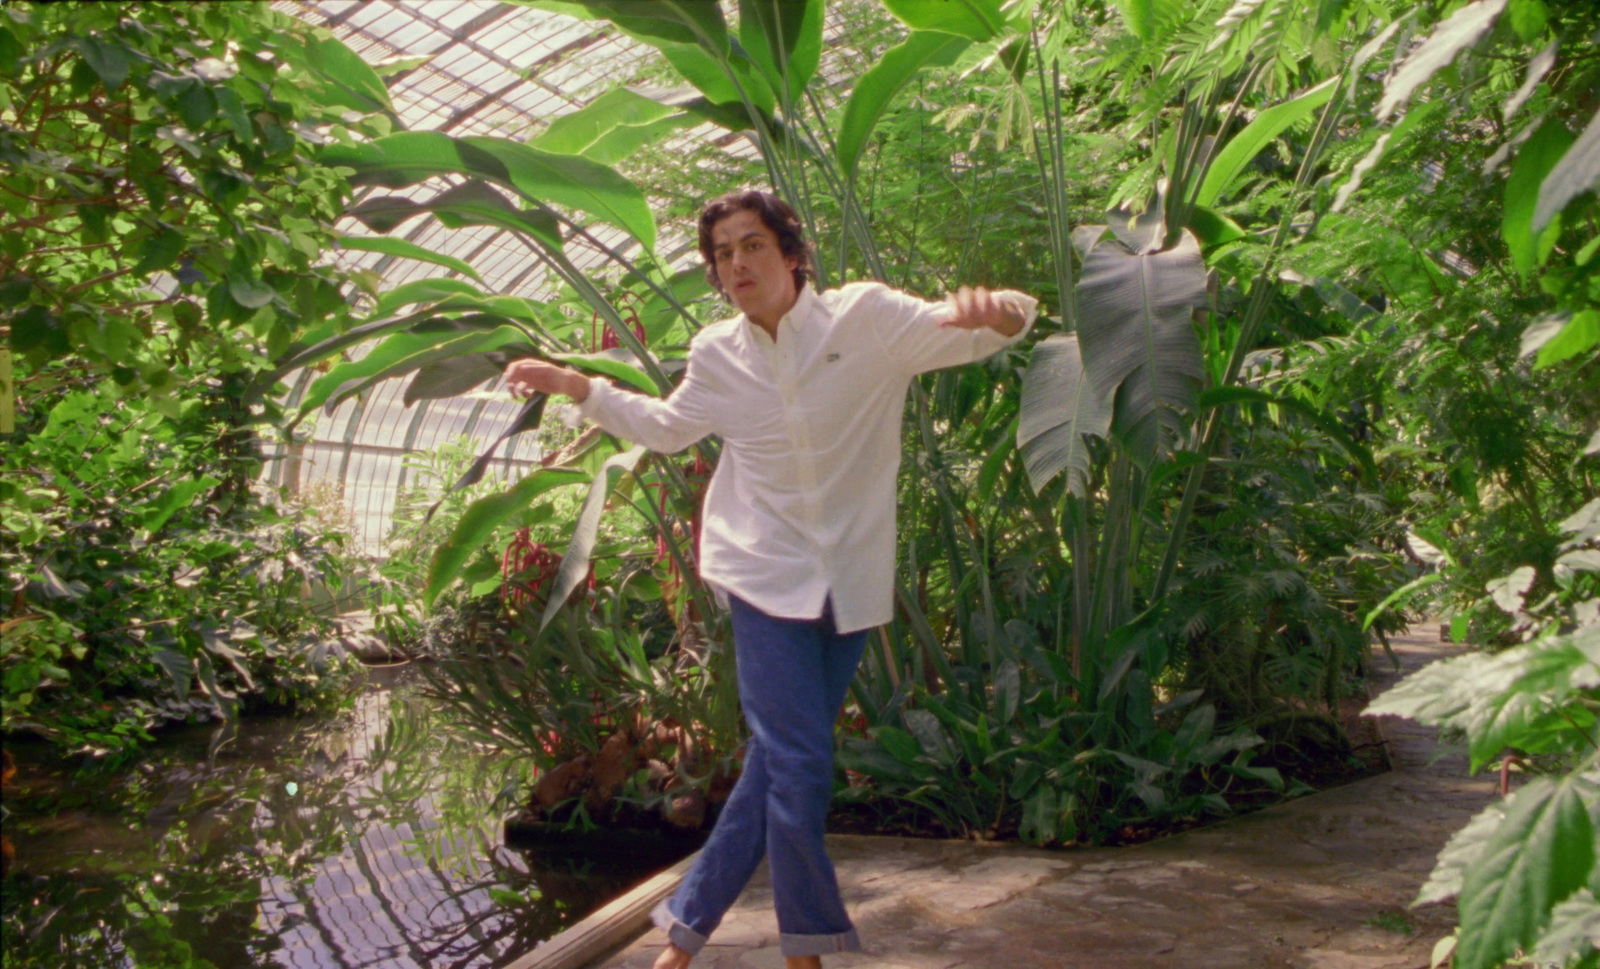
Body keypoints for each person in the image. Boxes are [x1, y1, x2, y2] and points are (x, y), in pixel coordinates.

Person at [505, 190, 1036, 969]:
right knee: (800, 762)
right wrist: (574, 385)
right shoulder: (719, 355)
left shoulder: (868, 319)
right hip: (760, 573)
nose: (736, 263)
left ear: (791, 253)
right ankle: (806, 950)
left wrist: (1001, 309)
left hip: (848, 579)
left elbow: (985, 331)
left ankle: (683, 931)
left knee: (775, 765)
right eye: (722, 253)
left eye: (751, 244)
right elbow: (664, 426)